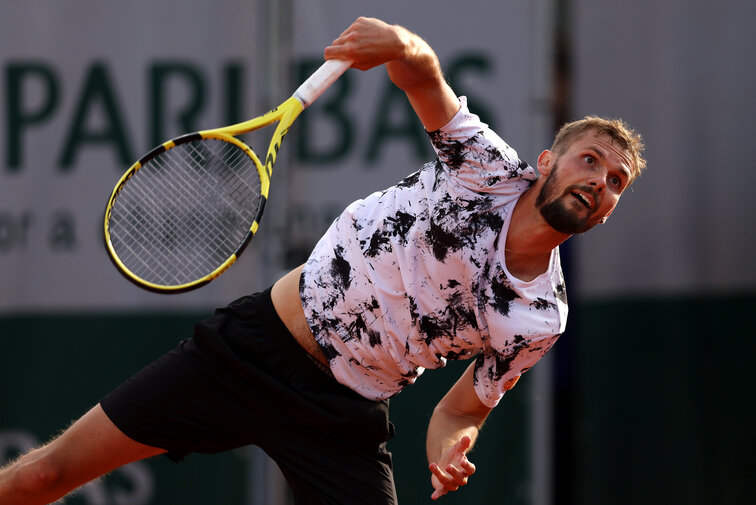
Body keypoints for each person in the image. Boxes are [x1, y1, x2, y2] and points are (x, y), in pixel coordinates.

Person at [0, 16, 645, 505]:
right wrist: (398, 41)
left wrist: (450, 451)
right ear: (548, 164)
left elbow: (462, 409)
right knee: (46, 476)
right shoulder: (483, 168)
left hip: (342, 414)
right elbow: (422, 74)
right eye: (589, 160)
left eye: (616, 181)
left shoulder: (539, 320)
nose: (599, 181)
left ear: (609, 210)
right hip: (250, 352)